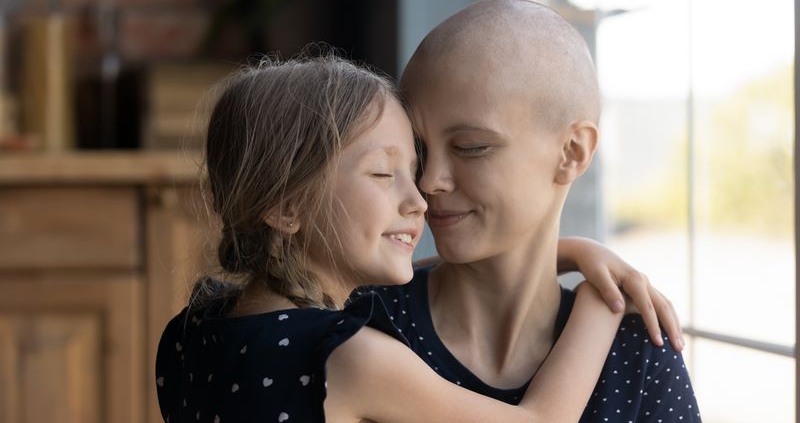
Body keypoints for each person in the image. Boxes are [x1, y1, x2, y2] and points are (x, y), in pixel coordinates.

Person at [155, 54, 668, 423]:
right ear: (287, 208)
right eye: (383, 174)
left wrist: (571, 252)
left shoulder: (191, 332)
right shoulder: (350, 359)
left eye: (413, 167)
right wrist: (603, 300)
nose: (420, 197)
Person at [374, 0, 702, 422]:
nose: (428, 180)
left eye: (471, 147)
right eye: (419, 149)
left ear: (572, 152)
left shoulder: (638, 349)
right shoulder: (360, 319)